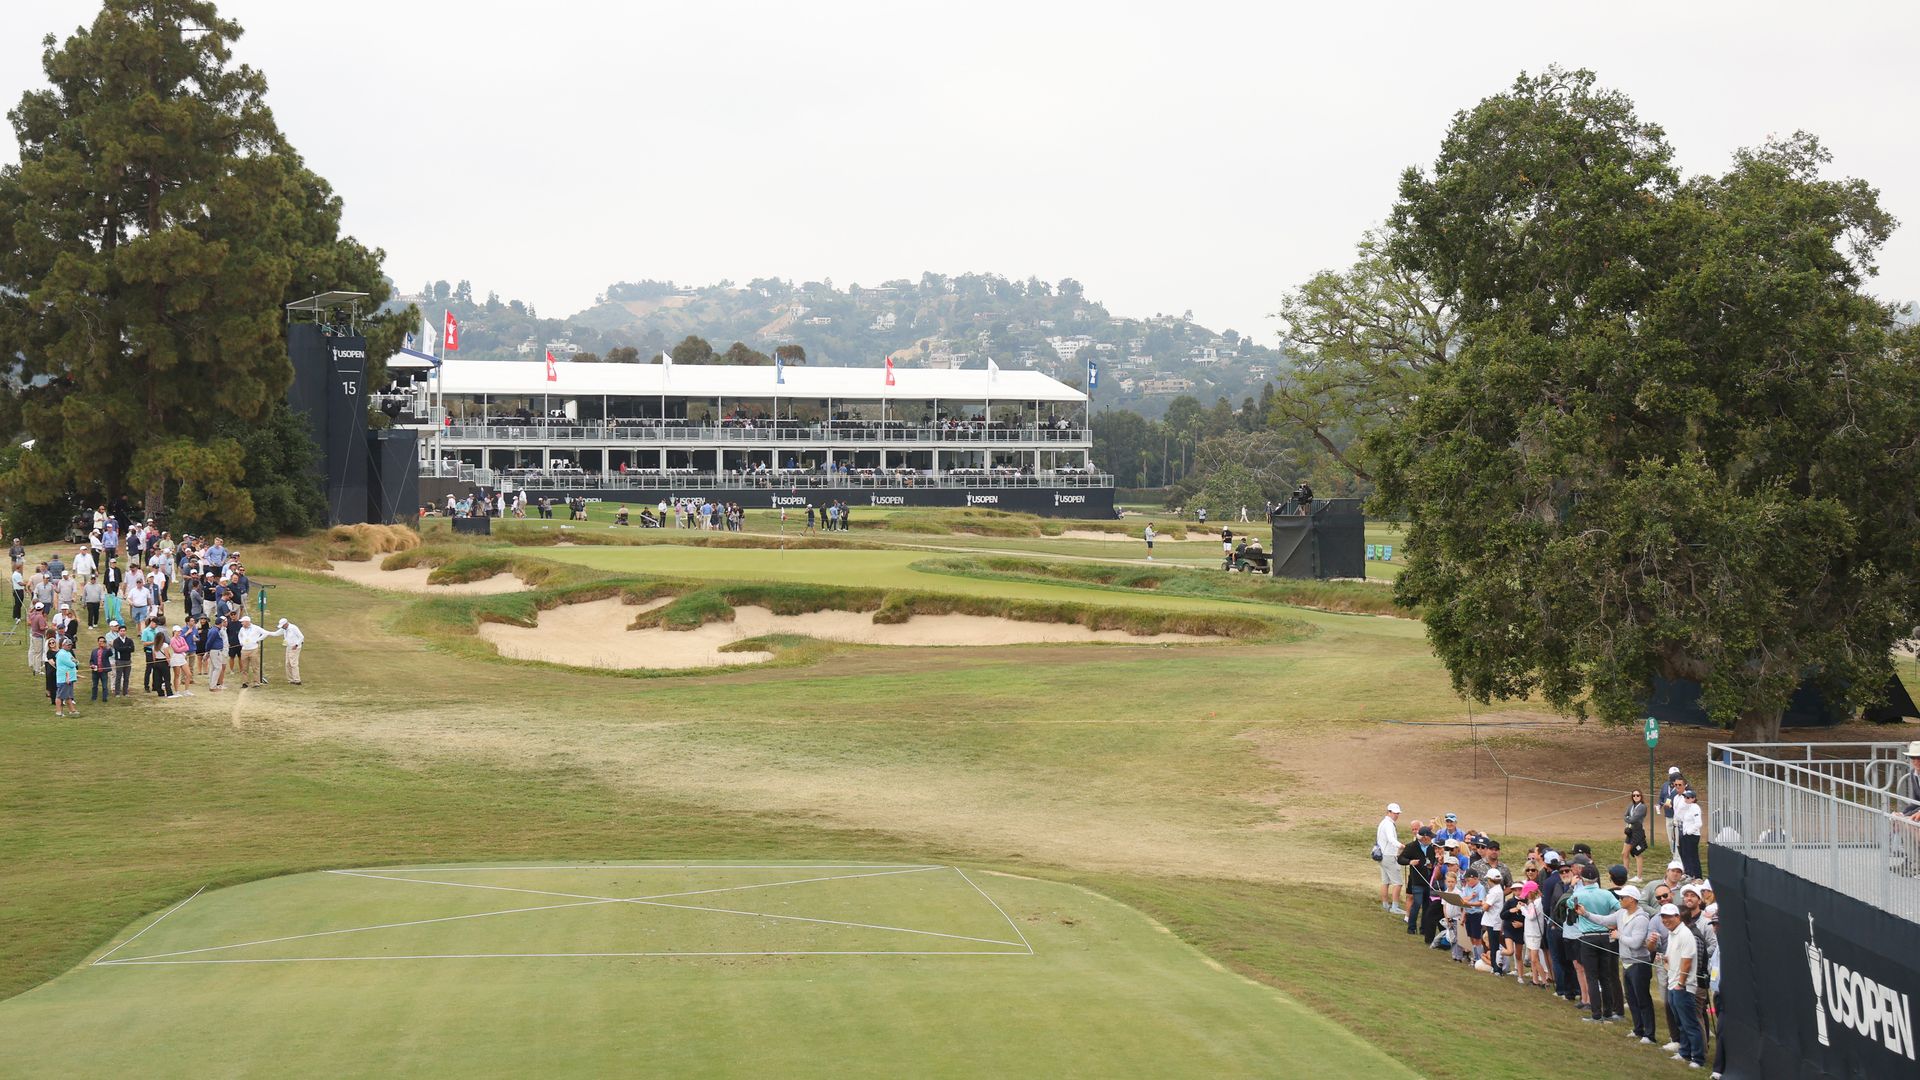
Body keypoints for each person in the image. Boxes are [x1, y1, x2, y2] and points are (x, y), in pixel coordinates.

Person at [1660, 903, 1705, 1068]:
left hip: (1683, 987)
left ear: (1677, 917)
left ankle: (1698, 1058)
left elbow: (1687, 962)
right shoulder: (1672, 933)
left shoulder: (1685, 934)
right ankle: (1685, 1052)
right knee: (1681, 1023)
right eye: (1663, 917)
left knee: (1690, 1024)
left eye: (1669, 917)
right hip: (1673, 984)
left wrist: (1681, 983)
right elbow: (1672, 958)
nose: (1666, 920)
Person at [1398, 825, 1441, 942]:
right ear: (1425, 837)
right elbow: (1400, 859)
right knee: (1416, 904)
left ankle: (1424, 929)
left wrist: (1432, 865)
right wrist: (1410, 861)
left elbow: (1433, 861)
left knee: (1427, 906)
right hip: (1417, 881)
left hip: (1429, 882)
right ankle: (1411, 928)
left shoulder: (1432, 848)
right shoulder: (1412, 846)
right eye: (1430, 837)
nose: (1431, 839)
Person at [1676, 789, 1704, 879]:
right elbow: (1679, 816)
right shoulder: (1687, 807)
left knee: (1693, 856)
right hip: (1686, 834)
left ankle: (1697, 876)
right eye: (1685, 797)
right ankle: (1689, 874)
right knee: (1686, 855)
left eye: (1688, 798)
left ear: (1693, 799)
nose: (1686, 799)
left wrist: (1689, 832)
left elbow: (1698, 823)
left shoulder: (1695, 807)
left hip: (1692, 836)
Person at [1623, 789, 1650, 882]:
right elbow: (1625, 815)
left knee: (1637, 853)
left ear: (1641, 796)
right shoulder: (1631, 805)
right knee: (1624, 853)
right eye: (1634, 795)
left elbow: (1633, 819)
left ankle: (1639, 877)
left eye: (1637, 795)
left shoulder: (1642, 807)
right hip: (1630, 831)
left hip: (1637, 832)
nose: (1636, 797)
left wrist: (1628, 819)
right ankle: (1626, 874)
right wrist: (1628, 818)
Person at [53, 637, 79, 716]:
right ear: (63, 645)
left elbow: (76, 662)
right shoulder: (62, 654)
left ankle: (72, 710)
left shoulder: (68, 653)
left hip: (69, 678)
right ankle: (58, 711)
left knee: (68, 696)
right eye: (67, 645)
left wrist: (75, 662)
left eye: (70, 645)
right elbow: (71, 664)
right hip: (64, 679)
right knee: (60, 696)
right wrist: (75, 663)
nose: (69, 646)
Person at [275, 618, 304, 684]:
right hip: (288, 647)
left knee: (293, 663)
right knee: (287, 664)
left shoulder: (293, 628)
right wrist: (266, 633)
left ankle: (297, 680)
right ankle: (291, 680)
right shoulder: (284, 629)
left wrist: (296, 645)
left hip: (295, 648)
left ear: (286, 624)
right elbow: (276, 633)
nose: (282, 627)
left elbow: (301, 637)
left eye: (283, 626)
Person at [88, 635, 112, 703]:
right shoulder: (94, 651)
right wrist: (92, 665)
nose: (101, 642)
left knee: (104, 686)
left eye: (102, 641)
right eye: (100, 641)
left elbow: (110, 654)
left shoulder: (106, 650)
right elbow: (91, 660)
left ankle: (104, 698)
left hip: (103, 671)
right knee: (94, 685)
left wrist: (107, 647)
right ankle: (94, 697)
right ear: (98, 642)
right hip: (95, 671)